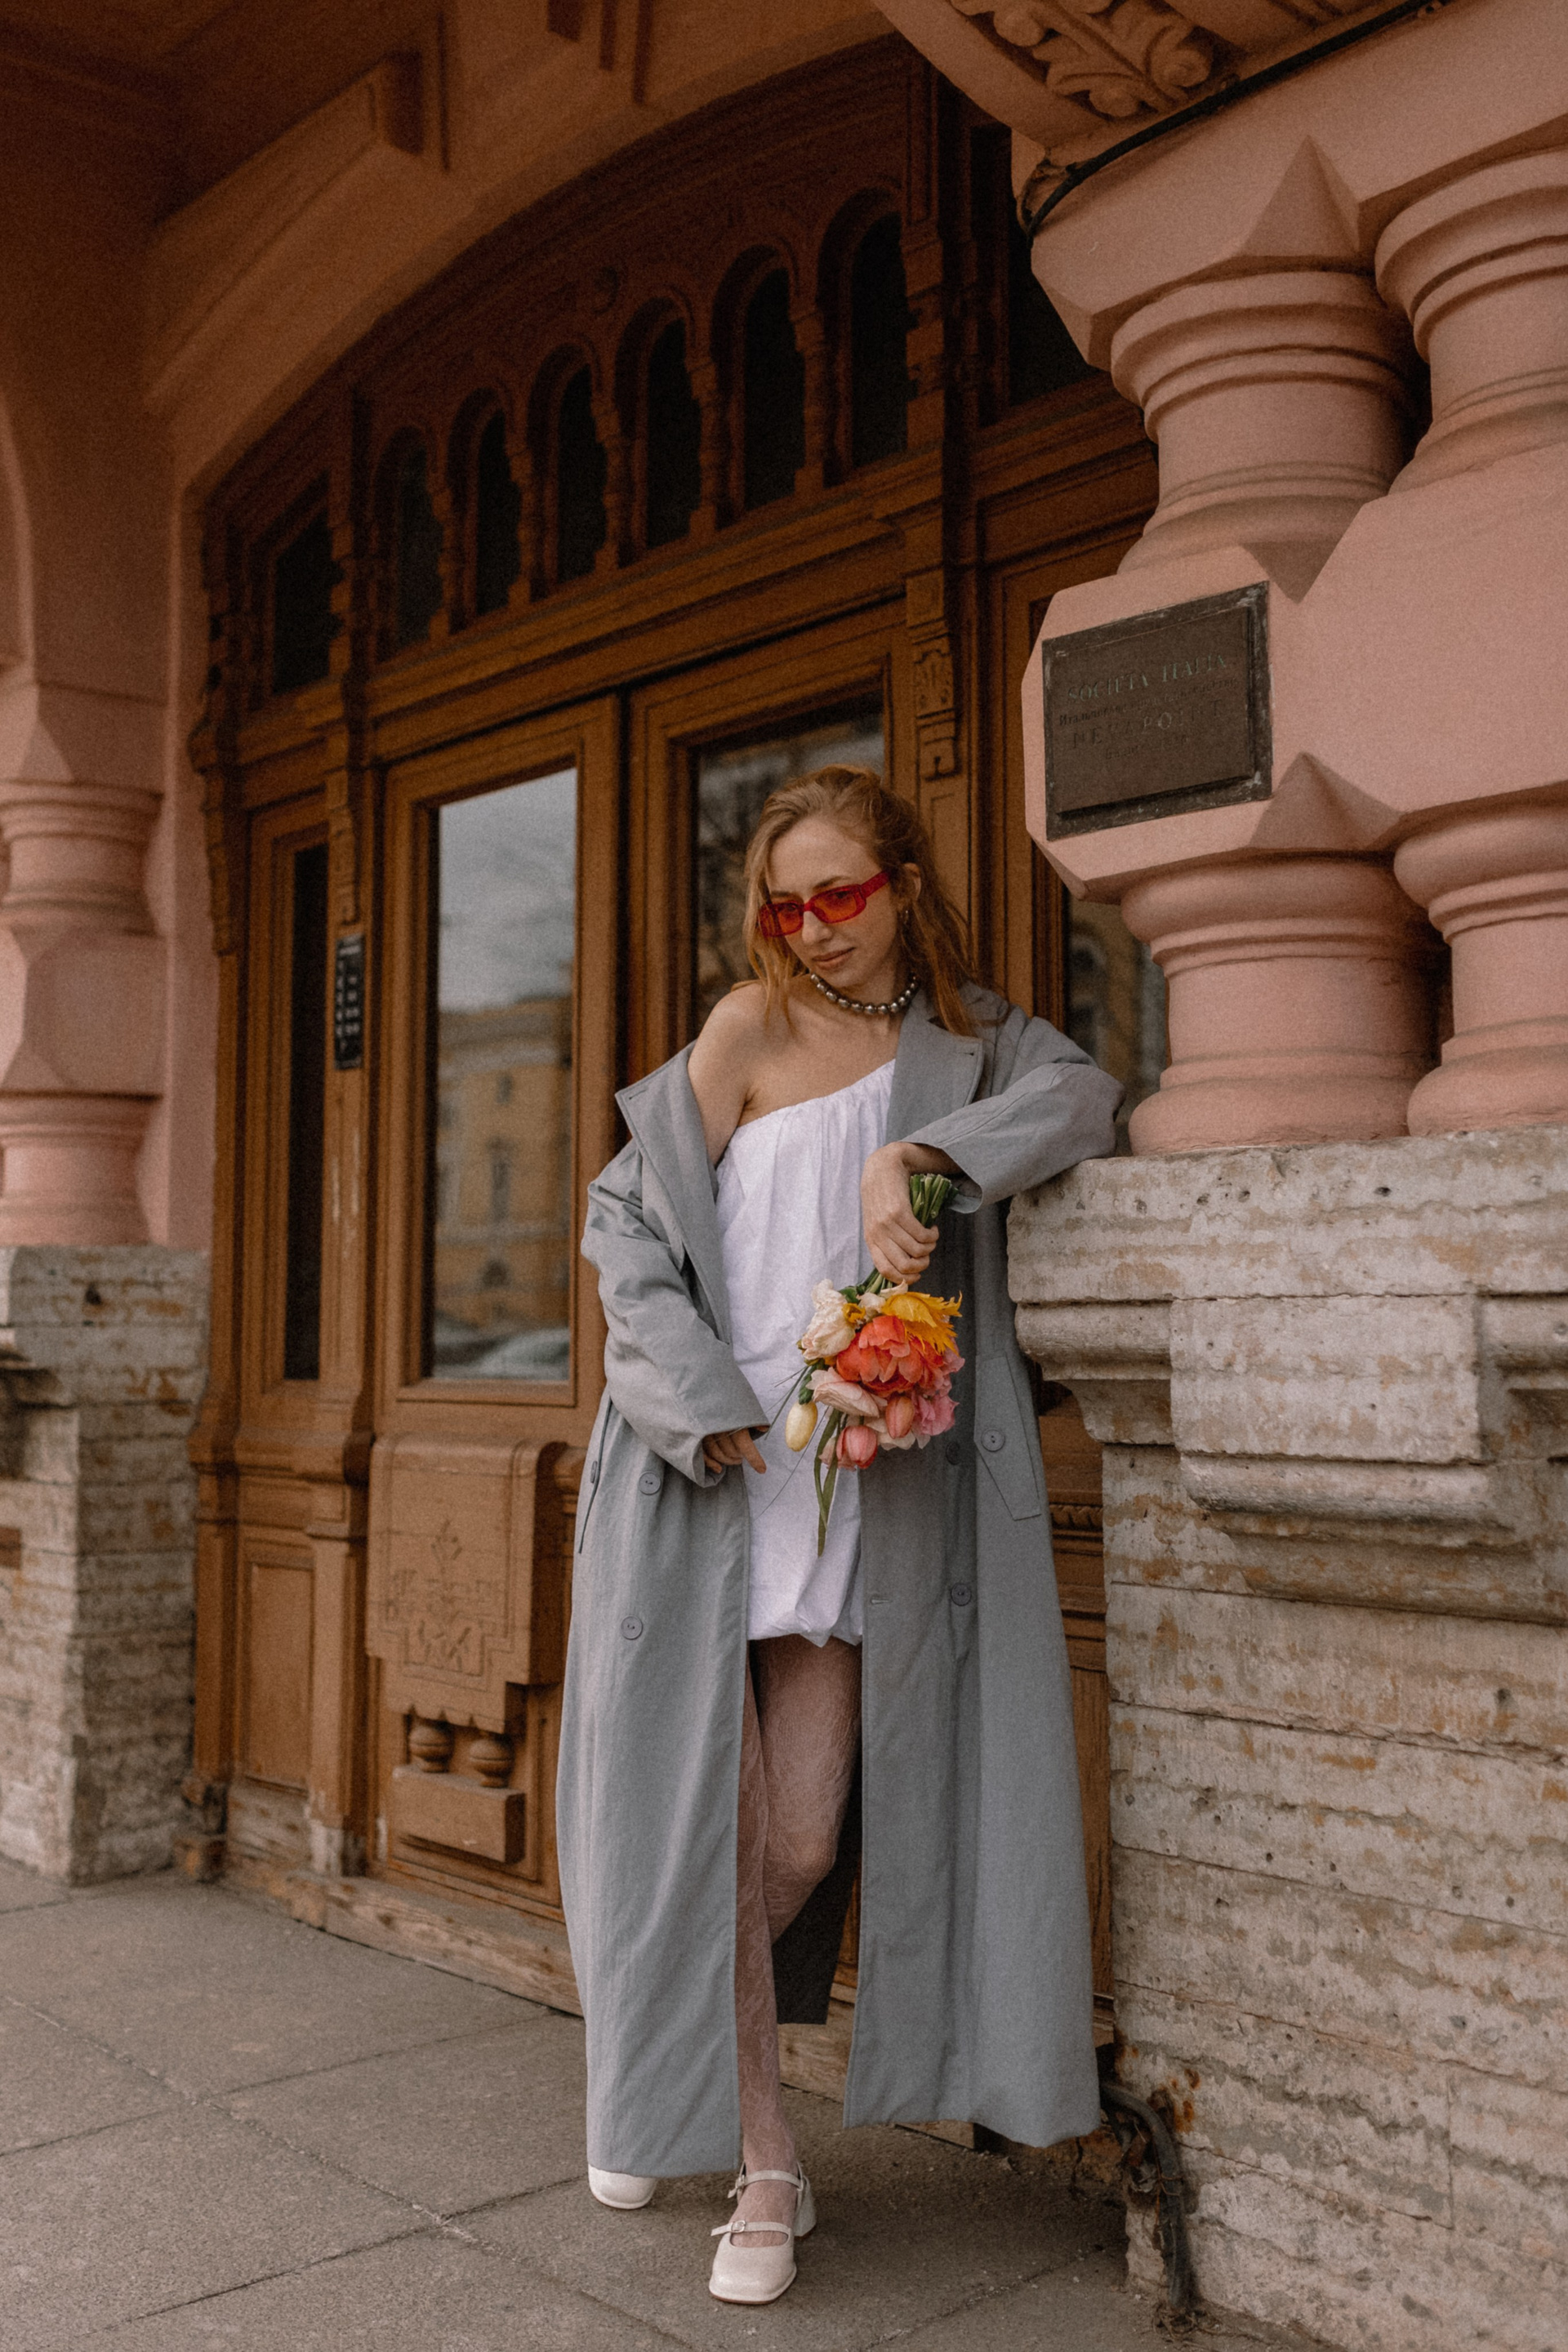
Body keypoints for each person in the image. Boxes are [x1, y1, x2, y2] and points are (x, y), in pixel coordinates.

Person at [556, 766, 1121, 2305]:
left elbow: (1085, 1100)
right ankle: (763, 2164)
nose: (812, 930)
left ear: (906, 885)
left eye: (840, 896)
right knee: (706, 1828)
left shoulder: (976, 1046)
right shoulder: (744, 1031)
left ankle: (646, 2065)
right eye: (785, 906)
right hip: (702, 1481)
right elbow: (624, 1228)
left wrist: (917, 1157)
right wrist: (696, 1401)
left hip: (857, 1501)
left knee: (800, 1841)